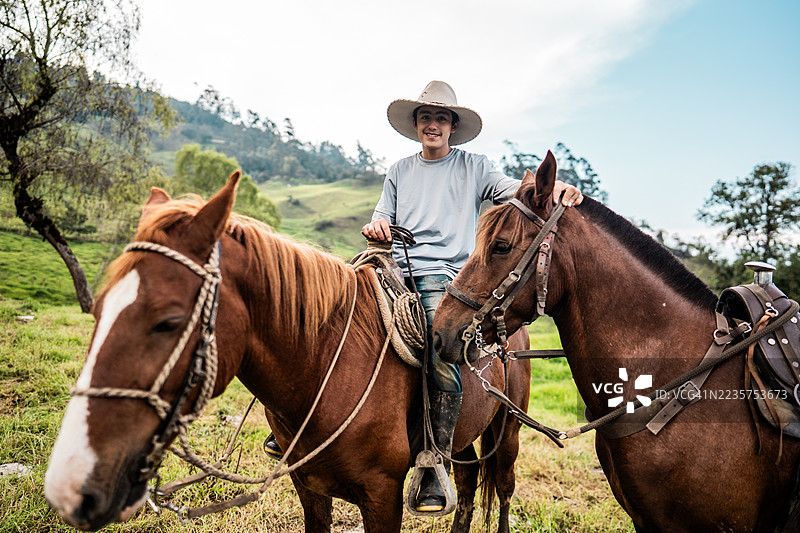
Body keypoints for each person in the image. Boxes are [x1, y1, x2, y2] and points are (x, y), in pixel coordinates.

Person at [361, 80, 582, 513]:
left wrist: (557, 190)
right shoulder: (399, 171)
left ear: (452, 126)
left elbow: (523, 195)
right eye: (425, 117)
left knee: (438, 347)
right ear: (416, 124)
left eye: (441, 118)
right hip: (392, 269)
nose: (432, 124)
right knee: (333, 310)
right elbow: (381, 217)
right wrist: (377, 229)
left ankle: (432, 460)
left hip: (445, 277)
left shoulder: (475, 167)